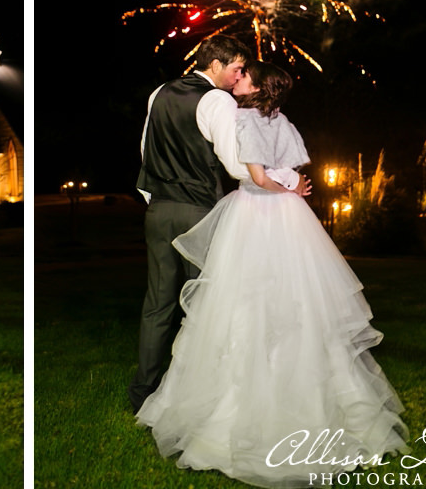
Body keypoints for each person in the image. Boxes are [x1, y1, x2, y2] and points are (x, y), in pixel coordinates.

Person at [136, 61, 408, 488]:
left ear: (259, 86)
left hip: (256, 213)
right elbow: (294, 168)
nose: (236, 80)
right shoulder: (282, 119)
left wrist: (280, 185)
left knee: (242, 300)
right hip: (290, 218)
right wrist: (294, 189)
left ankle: (234, 411)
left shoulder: (241, 118)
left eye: (244, 76)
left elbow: (257, 177)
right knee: (296, 300)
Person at [128, 35, 305, 413]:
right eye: (237, 68)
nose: (239, 76)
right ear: (216, 65)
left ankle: (142, 392)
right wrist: (281, 181)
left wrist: (153, 198)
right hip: (199, 214)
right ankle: (206, 393)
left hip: (158, 211)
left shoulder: (159, 92)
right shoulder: (217, 100)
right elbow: (235, 163)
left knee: (157, 304)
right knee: (210, 303)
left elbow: (146, 151)